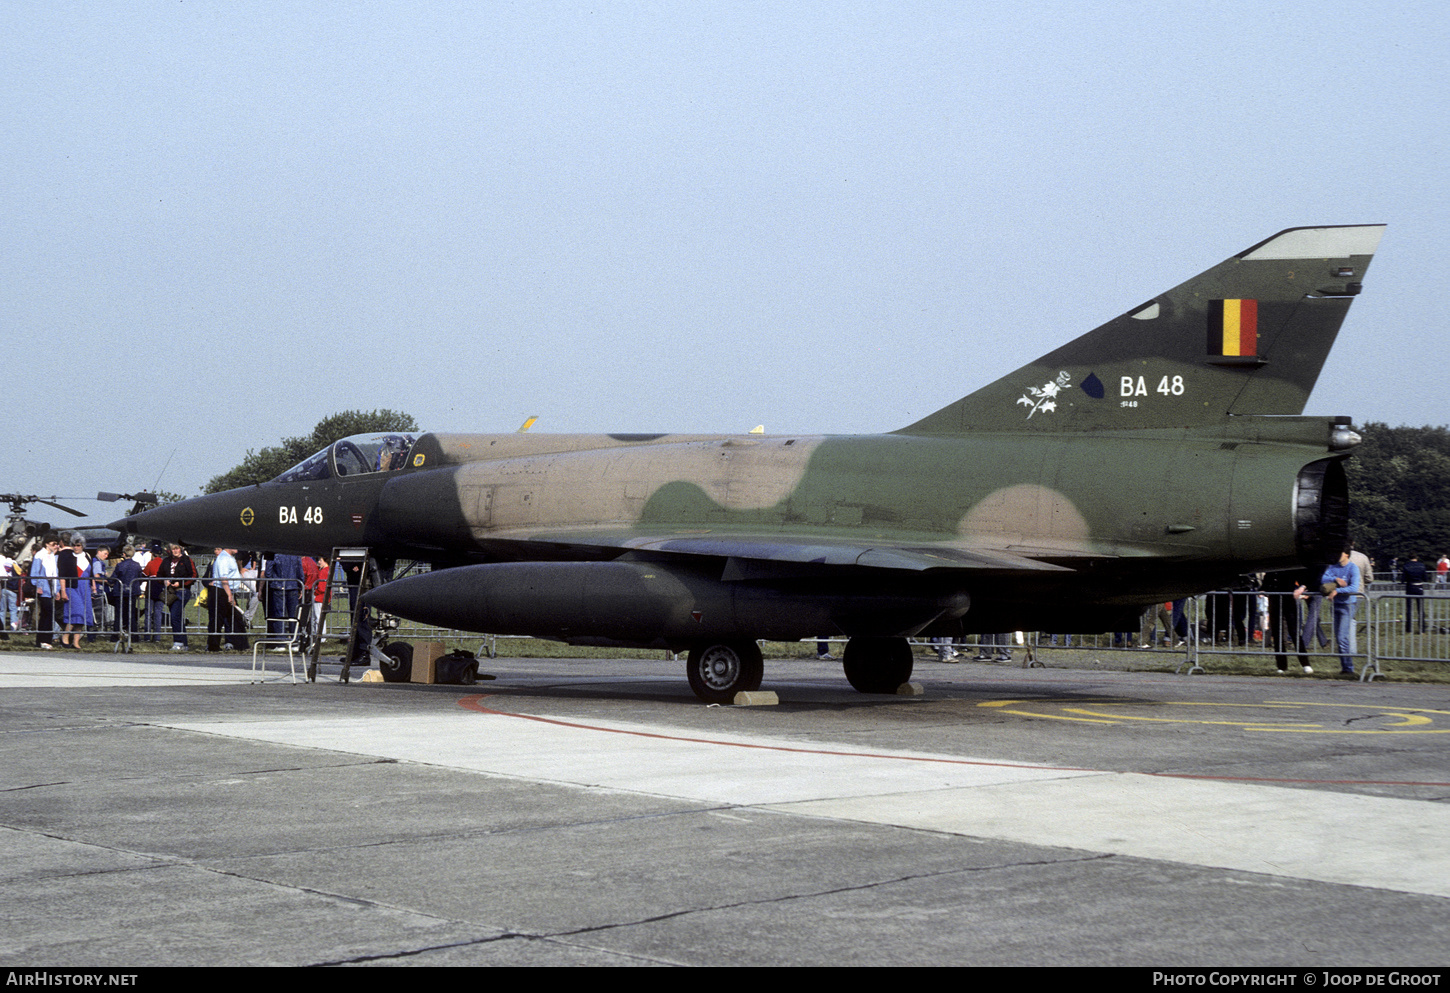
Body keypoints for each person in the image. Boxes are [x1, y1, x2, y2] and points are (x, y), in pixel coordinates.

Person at [1322, 547, 1362, 676]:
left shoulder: (1353, 568)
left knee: (1342, 637)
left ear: (1346, 554)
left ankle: (1349, 668)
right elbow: (1323, 578)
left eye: (1339, 552)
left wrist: (1337, 591)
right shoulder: (1333, 566)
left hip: (1348, 605)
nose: (1336, 555)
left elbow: (1354, 587)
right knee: (1339, 638)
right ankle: (1345, 668)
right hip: (1336, 604)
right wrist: (1335, 580)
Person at [154, 544, 197, 651]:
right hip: (171, 592)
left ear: (181, 549)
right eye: (173, 549)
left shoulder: (187, 560)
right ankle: (184, 643)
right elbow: (159, 574)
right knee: (176, 617)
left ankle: (178, 642)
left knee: (175, 616)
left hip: (183, 591)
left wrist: (181, 583)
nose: (175, 551)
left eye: (177, 548)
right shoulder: (166, 561)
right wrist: (164, 581)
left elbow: (193, 576)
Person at [207, 548, 249, 652]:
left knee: (235, 618)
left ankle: (241, 645)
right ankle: (213, 646)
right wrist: (229, 595)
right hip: (222, 591)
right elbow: (223, 578)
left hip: (226, 591)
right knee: (218, 620)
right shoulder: (224, 559)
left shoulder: (228, 558)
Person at [29, 535, 61, 649]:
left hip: (51, 587)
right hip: (43, 587)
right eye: (53, 544)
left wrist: (57, 590)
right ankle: (45, 639)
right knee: (48, 612)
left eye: (57, 544)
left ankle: (41, 640)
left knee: (46, 614)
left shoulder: (52, 556)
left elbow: (55, 573)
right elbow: (35, 572)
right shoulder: (40, 555)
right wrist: (38, 585)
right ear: (46, 544)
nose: (56, 546)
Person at [1402, 554, 1428, 634]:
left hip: (1410, 587)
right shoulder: (1422, 565)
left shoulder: (1406, 566)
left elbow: (1403, 579)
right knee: (1420, 608)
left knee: (1409, 609)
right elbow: (1425, 578)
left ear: (1409, 558)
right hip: (1419, 587)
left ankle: (1409, 629)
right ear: (1417, 557)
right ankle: (1422, 629)